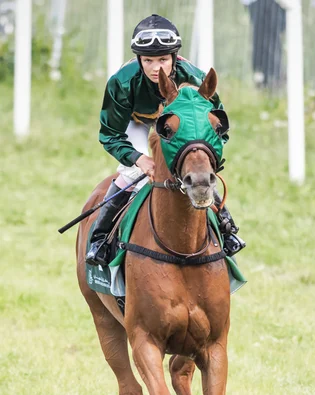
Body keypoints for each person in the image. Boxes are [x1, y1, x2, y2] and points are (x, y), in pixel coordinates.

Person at [86, 14, 246, 267]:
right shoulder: (122, 82)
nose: (155, 68)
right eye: (148, 60)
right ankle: (100, 239)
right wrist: (138, 159)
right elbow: (110, 134)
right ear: (138, 59)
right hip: (137, 123)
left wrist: (205, 159)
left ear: (174, 57)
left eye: (163, 59)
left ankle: (227, 230)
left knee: (197, 172)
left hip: (178, 126)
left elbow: (218, 129)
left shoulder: (195, 79)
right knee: (130, 175)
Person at [241, 0, 286, 89]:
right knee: (260, 39)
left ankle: (274, 77)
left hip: (279, 4)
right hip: (257, 3)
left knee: (273, 38)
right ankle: (264, 77)